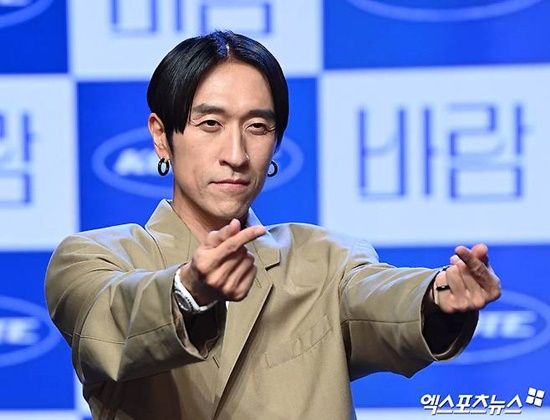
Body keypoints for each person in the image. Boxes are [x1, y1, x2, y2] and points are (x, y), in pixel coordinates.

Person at [45, 31, 501, 419]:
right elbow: (110, 328)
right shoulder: (93, 258)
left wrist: (436, 297)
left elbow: (379, 301)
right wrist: (189, 291)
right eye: (210, 123)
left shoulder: (324, 260)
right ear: (162, 136)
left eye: (258, 127)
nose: (236, 154)